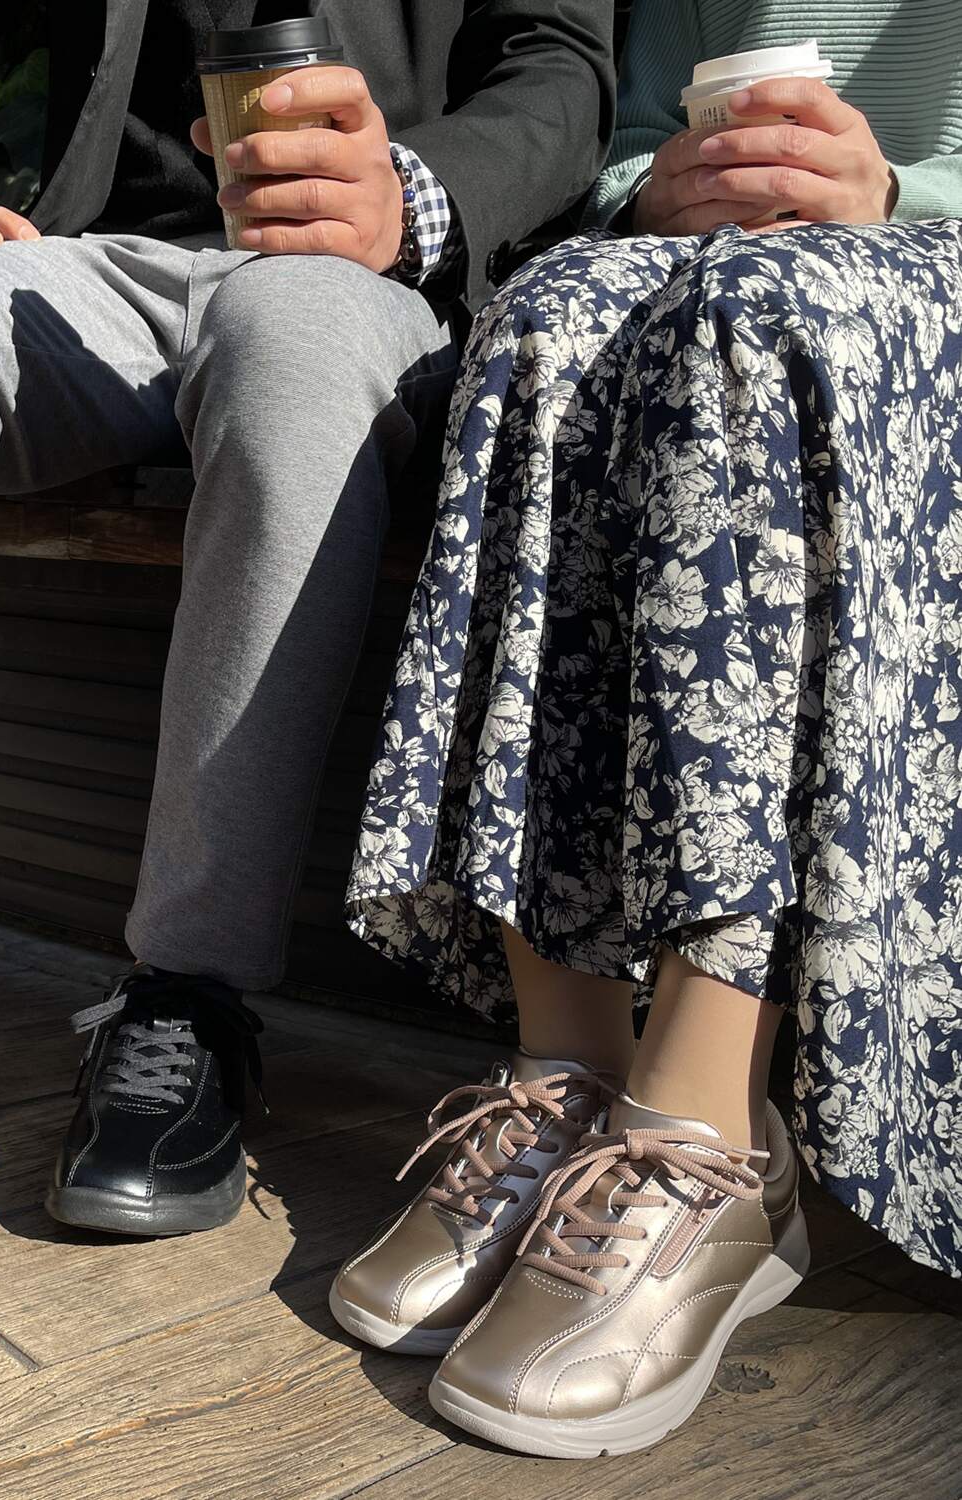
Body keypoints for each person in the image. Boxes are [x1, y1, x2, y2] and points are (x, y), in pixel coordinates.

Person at [0, 1, 617, 1243]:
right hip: (91, 264)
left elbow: (561, 63)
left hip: (360, 268)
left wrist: (414, 198)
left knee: (297, 332)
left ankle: (188, 997)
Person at [334, 0, 962, 1459]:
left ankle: (706, 1131)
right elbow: (625, 138)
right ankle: (574, 1074)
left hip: (913, 259)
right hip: (731, 260)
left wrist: (896, 189)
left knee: (757, 316)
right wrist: (651, 189)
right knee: (549, 310)